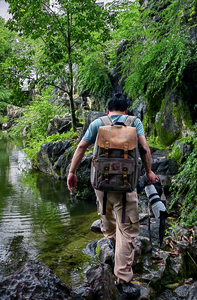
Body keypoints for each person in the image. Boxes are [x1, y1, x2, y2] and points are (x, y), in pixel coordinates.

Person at [67, 93, 159, 299]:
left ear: (108, 111)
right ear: (126, 111)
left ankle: (115, 245)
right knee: (127, 230)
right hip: (126, 187)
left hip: (101, 184)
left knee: (107, 221)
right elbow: (144, 149)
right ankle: (123, 280)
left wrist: (72, 172)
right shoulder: (135, 122)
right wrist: (149, 172)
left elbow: (82, 147)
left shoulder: (98, 123)